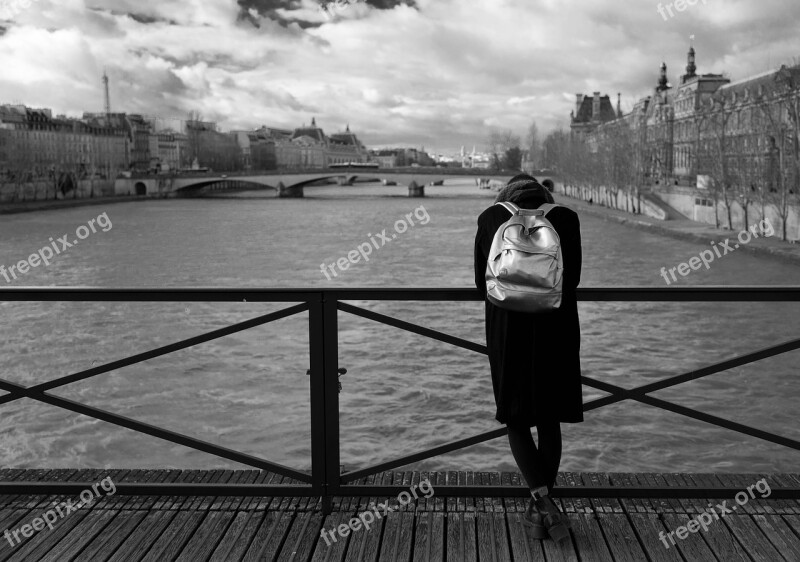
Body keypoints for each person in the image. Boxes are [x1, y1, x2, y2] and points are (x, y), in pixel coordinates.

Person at [473, 174, 583, 543]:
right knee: (549, 419)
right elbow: (574, 280)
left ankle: (543, 505)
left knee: (515, 418)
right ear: (545, 193)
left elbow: (481, 282)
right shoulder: (566, 217)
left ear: (506, 194)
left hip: (508, 331)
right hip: (556, 328)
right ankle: (543, 507)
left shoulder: (492, 217)